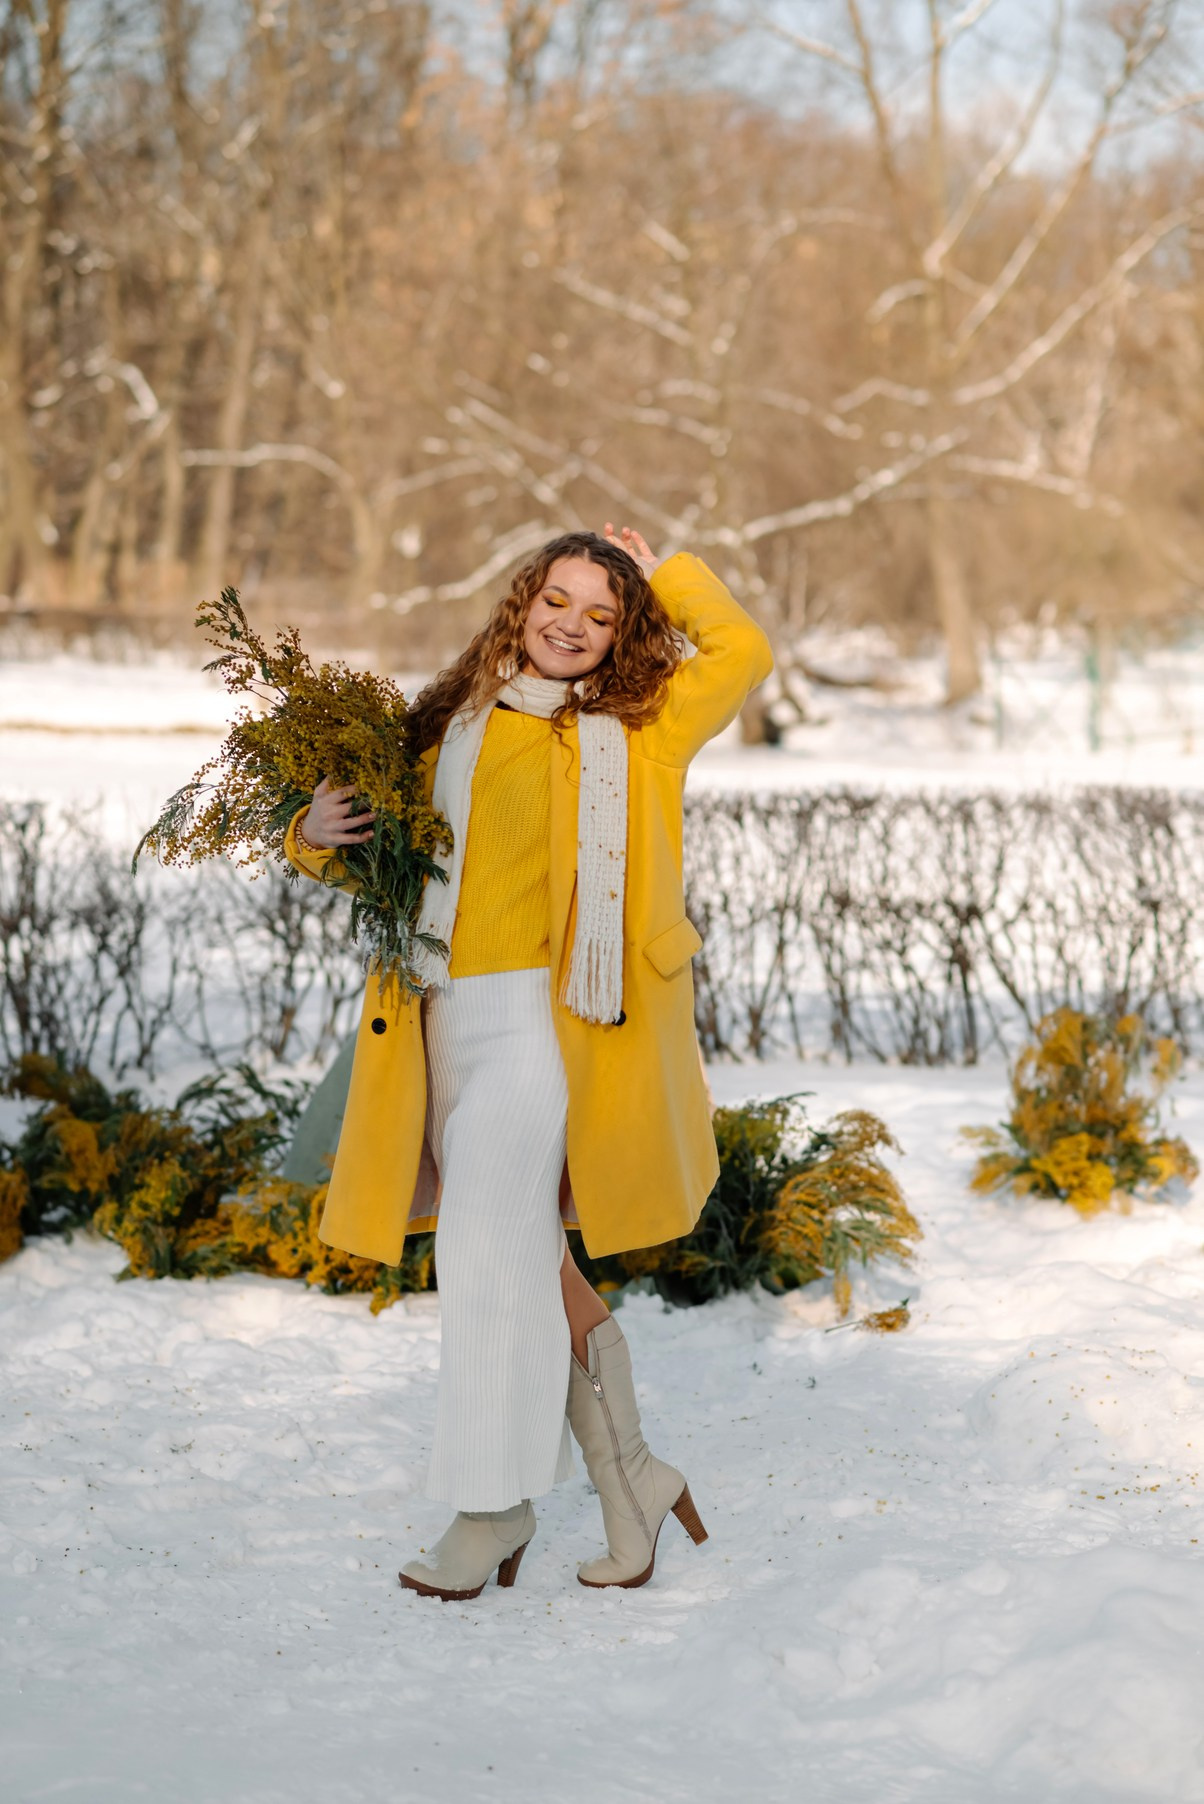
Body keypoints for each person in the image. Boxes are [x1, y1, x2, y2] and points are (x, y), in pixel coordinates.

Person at [285, 524, 772, 1601]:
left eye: (602, 612)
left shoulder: (639, 728)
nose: (573, 625)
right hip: (438, 1026)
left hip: (553, 1035)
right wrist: (311, 832)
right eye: (558, 600)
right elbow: (373, 855)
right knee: (522, 1262)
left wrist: (672, 570)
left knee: (477, 1256)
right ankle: (633, 1478)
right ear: (522, 600)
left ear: (624, 630)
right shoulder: (446, 724)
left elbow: (740, 653)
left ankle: (489, 1503)